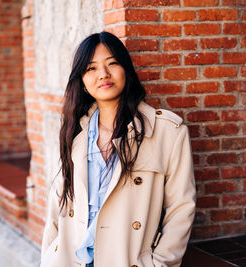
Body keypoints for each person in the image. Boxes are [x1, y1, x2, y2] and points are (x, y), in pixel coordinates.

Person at [40, 31, 196, 267]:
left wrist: (160, 263)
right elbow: (57, 205)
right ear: (81, 80)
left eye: (112, 63)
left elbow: (181, 208)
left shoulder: (167, 132)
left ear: (126, 70)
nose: (103, 74)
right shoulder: (75, 132)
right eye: (91, 68)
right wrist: (49, 257)